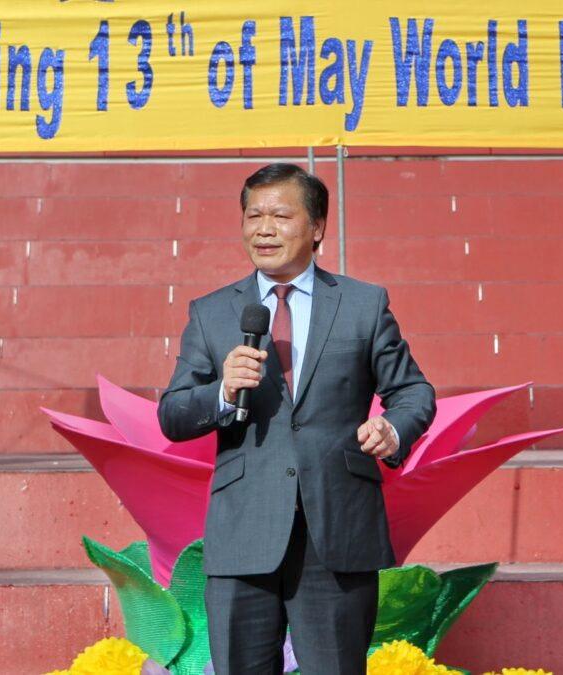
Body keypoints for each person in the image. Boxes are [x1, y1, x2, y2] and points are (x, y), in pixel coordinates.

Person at [158, 163, 436, 673]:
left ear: (317, 228)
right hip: (243, 532)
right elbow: (173, 414)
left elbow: (413, 390)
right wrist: (221, 391)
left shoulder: (362, 305)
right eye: (253, 216)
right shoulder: (213, 313)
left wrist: (392, 428)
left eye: (281, 215)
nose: (263, 228)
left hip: (336, 531)